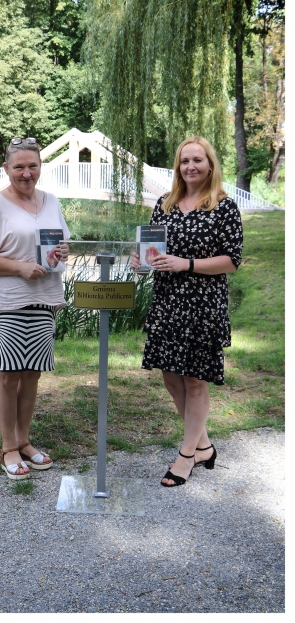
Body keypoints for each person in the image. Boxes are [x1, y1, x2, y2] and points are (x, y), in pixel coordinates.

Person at [131, 136, 243, 487]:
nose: (190, 166)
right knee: (170, 377)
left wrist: (187, 263)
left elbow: (232, 260)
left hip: (202, 304)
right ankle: (204, 446)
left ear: (210, 165)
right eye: (184, 161)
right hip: (167, 301)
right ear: (178, 167)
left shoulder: (223, 206)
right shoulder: (165, 204)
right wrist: (141, 262)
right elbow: (153, 252)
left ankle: (186, 455)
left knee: (194, 380)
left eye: (197, 160)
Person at [0, 137, 70, 480]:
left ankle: (24, 441)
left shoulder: (51, 201)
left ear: (40, 167)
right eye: (19, 167)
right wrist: (19, 267)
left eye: (33, 166)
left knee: (31, 374)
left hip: (44, 300)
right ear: (6, 168)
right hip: (8, 302)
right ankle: (8, 447)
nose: (27, 173)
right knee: (9, 375)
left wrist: (62, 251)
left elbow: (60, 243)